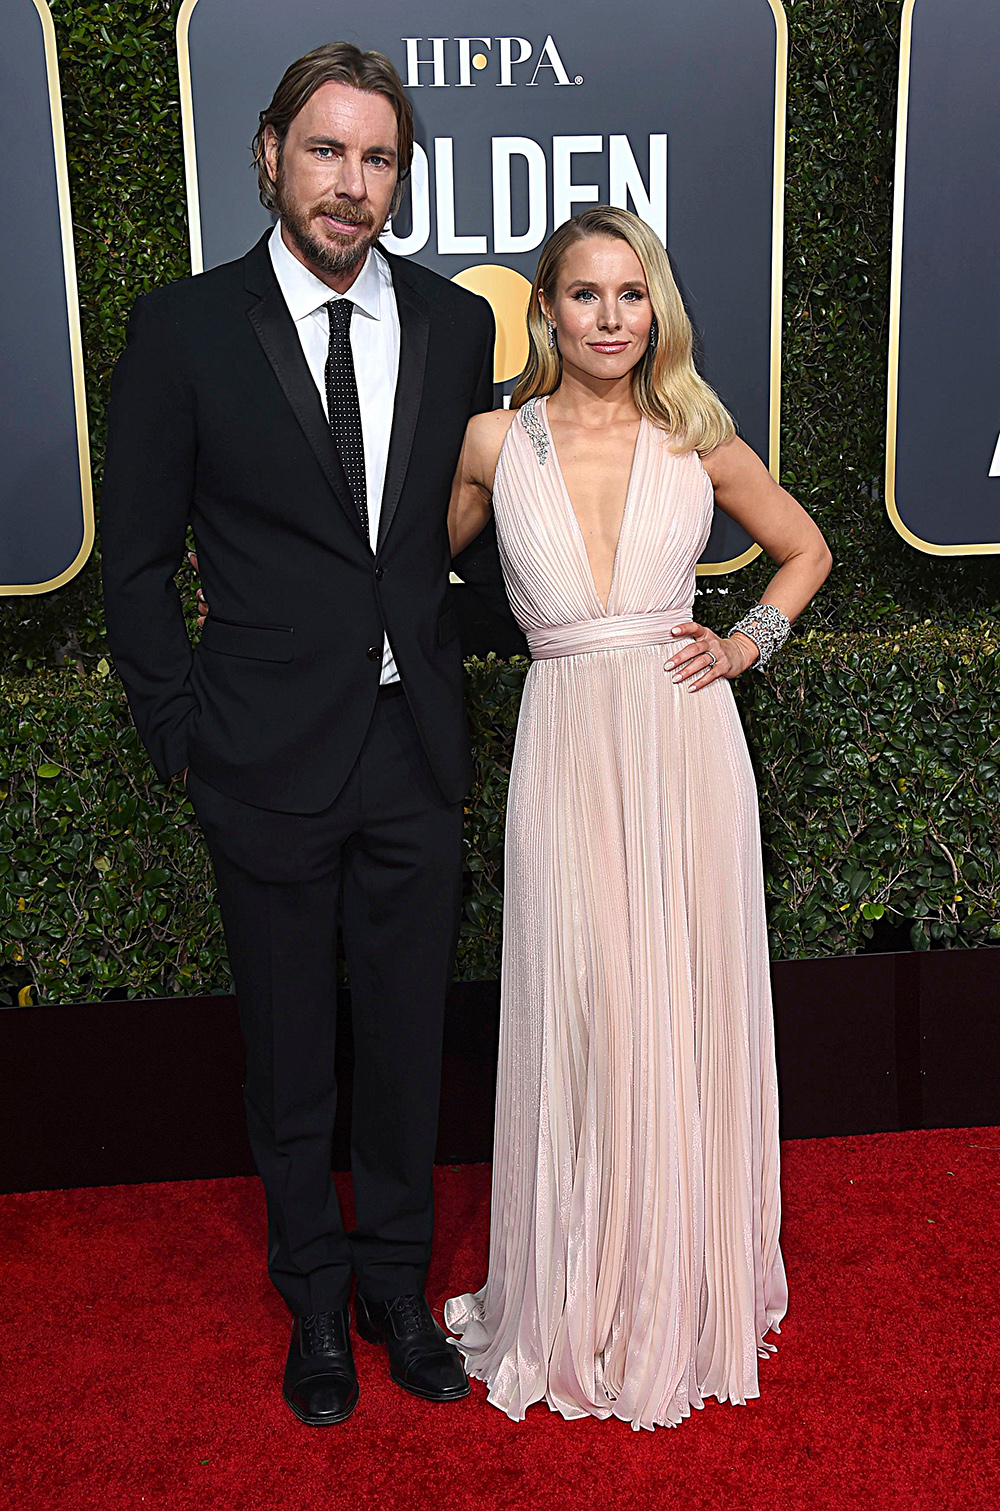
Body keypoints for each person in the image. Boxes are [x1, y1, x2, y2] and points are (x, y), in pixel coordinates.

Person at [100, 43, 500, 1427]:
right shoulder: (183, 328)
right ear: (269, 153)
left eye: (378, 158)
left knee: (403, 1040)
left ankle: (396, 1284)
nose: (352, 183)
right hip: (258, 754)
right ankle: (314, 1298)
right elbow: (137, 562)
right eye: (325, 151)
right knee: (289, 1053)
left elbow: (481, 533)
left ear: (402, 177)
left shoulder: (458, 328)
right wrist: (184, 735)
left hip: (412, 747)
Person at [443, 206, 832, 1430]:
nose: (608, 318)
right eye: (582, 294)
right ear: (545, 310)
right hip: (564, 744)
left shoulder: (697, 436)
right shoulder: (492, 441)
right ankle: (576, 1286)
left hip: (679, 749)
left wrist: (742, 642)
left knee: (671, 1001)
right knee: (585, 1001)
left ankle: (678, 1278)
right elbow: (399, 574)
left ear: (653, 307)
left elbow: (804, 549)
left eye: (629, 294)